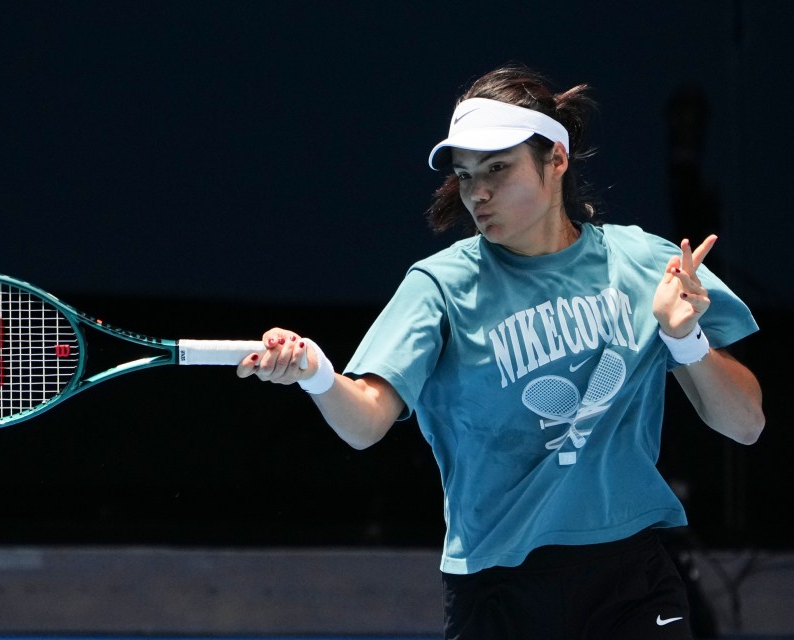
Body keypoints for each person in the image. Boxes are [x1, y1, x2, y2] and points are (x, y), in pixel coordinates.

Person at [235, 63, 764, 639]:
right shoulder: (439, 286)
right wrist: (315, 373)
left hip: (629, 577)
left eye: (498, 169)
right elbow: (365, 422)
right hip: (499, 590)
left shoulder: (644, 264)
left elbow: (746, 425)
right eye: (465, 176)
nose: (477, 192)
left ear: (556, 160)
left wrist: (684, 341)